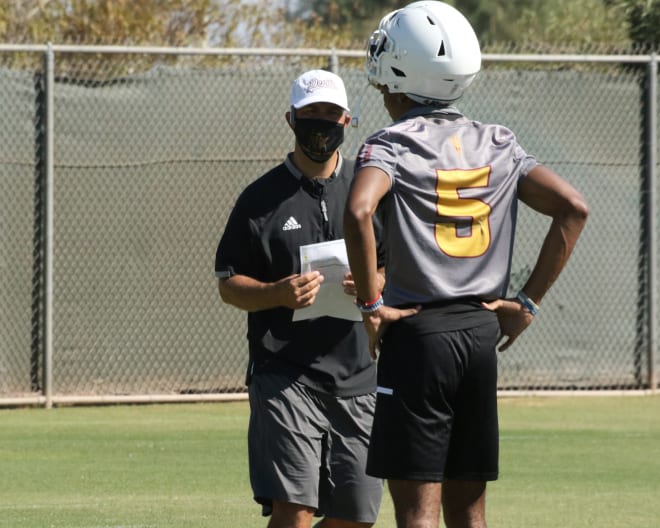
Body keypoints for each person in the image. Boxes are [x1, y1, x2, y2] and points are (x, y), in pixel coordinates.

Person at [343, 2, 589, 528]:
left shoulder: (391, 144)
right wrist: (526, 303)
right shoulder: (497, 142)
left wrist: (370, 306)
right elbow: (574, 208)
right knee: (470, 514)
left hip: (418, 336)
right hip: (479, 336)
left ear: (401, 74)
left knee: (416, 514)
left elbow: (359, 209)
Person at [214, 69, 385, 528]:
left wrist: (374, 281)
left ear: (348, 120)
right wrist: (277, 292)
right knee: (295, 511)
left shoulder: (368, 190)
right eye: (310, 115)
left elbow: (396, 267)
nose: (320, 126)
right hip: (285, 375)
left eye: (330, 115)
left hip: (360, 375)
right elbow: (229, 283)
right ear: (290, 119)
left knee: (357, 515)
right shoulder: (260, 199)